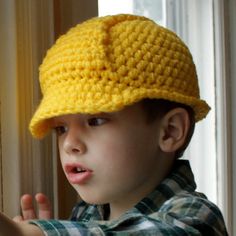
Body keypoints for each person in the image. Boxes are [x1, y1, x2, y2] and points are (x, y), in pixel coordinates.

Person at [0, 14, 228, 235]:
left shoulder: (196, 219)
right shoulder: (86, 214)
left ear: (170, 131)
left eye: (95, 121)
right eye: (61, 128)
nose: (69, 144)